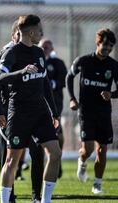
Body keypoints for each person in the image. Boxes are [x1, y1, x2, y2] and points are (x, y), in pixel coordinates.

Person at [0, 14, 61, 203]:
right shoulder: (12, 53)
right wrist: (22, 71)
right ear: (31, 32)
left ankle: (45, 200)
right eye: (40, 30)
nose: (42, 33)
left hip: (40, 112)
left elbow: (45, 84)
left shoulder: (39, 53)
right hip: (19, 113)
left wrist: (54, 112)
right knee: (12, 161)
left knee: (55, 154)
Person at [0, 19, 45, 203]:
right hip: (9, 113)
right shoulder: (4, 56)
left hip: (32, 112)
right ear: (14, 35)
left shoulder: (34, 54)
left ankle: (37, 196)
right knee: (10, 157)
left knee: (37, 153)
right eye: (16, 35)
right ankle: (9, 196)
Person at [66, 28, 118, 194]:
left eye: (110, 46)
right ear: (98, 43)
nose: (107, 49)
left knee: (102, 150)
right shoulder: (84, 61)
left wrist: (112, 94)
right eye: (104, 45)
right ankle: (82, 162)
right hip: (86, 112)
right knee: (87, 150)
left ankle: (97, 184)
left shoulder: (113, 66)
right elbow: (69, 77)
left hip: (104, 112)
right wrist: (72, 99)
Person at [39, 39, 67, 178]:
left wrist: (51, 84)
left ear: (52, 48)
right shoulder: (35, 61)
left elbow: (64, 80)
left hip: (54, 107)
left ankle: (56, 162)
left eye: (47, 47)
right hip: (36, 107)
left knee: (59, 138)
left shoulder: (58, 63)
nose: (44, 49)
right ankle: (20, 168)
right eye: (42, 47)